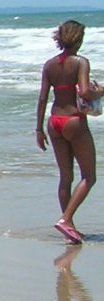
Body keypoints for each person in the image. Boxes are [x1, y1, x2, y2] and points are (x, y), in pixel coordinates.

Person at [36, 19, 96, 244]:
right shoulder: (81, 62)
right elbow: (85, 92)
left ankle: (70, 229)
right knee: (89, 177)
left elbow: (42, 98)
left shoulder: (50, 64)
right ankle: (66, 219)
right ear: (79, 39)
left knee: (65, 178)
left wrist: (38, 129)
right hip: (73, 120)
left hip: (55, 121)